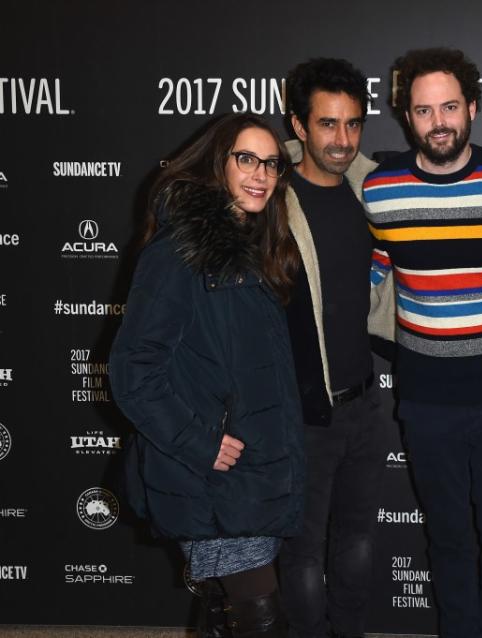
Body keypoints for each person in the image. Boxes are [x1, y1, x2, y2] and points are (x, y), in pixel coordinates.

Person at [363, 47, 482, 638]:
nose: (439, 121)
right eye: (423, 110)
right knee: (448, 535)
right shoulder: (380, 189)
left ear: (472, 107)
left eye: (449, 106)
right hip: (426, 393)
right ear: (404, 115)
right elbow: (371, 269)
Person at [109, 112, 304, 638]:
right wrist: (199, 441)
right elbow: (133, 369)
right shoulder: (180, 252)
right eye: (247, 159)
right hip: (212, 478)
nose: (261, 174)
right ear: (218, 163)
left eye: (271, 163)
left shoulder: (252, 248)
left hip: (250, 474)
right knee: (257, 616)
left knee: (224, 613)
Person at [277, 57, 393, 638]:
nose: (342, 139)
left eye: (352, 124)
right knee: (301, 552)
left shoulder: (372, 190)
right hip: (300, 413)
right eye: (328, 124)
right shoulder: (269, 202)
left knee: (358, 541)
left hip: (365, 405)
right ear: (299, 126)